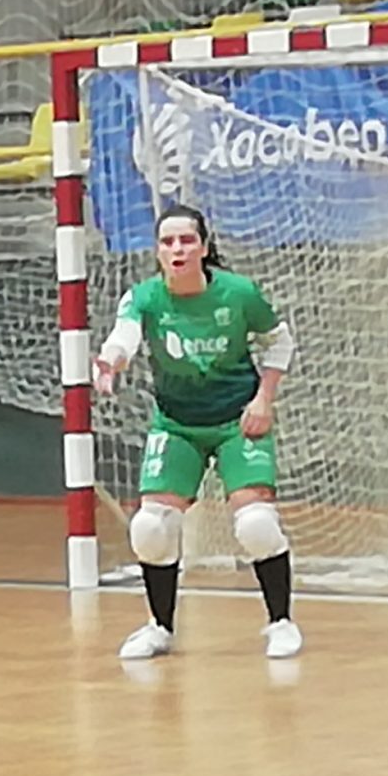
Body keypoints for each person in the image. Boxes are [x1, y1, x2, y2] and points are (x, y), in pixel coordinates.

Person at [95, 206, 304, 661]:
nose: (177, 250)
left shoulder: (239, 294)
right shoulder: (144, 298)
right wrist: (111, 362)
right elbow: (124, 336)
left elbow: (280, 343)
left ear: (204, 248)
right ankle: (159, 627)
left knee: (256, 525)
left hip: (238, 421)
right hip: (176, 424)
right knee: (150, 528)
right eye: (167, 242)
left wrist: (264, 399)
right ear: (157, 252)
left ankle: (280, 622)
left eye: (187, 241)